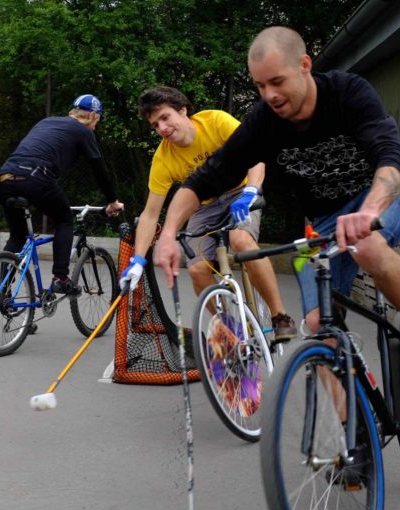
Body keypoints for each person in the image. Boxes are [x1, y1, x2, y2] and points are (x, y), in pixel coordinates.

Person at [153, 26, 400, 383]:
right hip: (322, 223)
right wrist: (169, 234)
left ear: (305, 65)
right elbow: (204, 179)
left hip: (377, 199)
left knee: (366, 245)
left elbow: (390, 157)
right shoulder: (263, 122)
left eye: (277, 81)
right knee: (318, 327)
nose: (271, 95)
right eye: (261, 86)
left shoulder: (347, 92)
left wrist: (369, 211)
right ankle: (352, 433)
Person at [119, 86, 297, 341]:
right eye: (155, 125)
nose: (162, 128)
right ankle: (229, 331)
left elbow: (256, 155)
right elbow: (150, 214)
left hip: (240, 192)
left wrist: (251, 191)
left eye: (165, 118)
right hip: (204, 205)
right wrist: (137, 261)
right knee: (197, 269)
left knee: (241, 241)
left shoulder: (215, 121)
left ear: (183, 110)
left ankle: (280, 316)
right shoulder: (163, 158)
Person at [0, 94, 124, 294]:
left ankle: (3, 291)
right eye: (97, 121)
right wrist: (112, 201)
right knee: (64, 219)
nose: (95, 127)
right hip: (36, 177)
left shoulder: (47, 122)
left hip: (4, 178)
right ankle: (61, 278)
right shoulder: (83, 130)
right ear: (92, 116)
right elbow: (100, 171)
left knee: (17, 235)